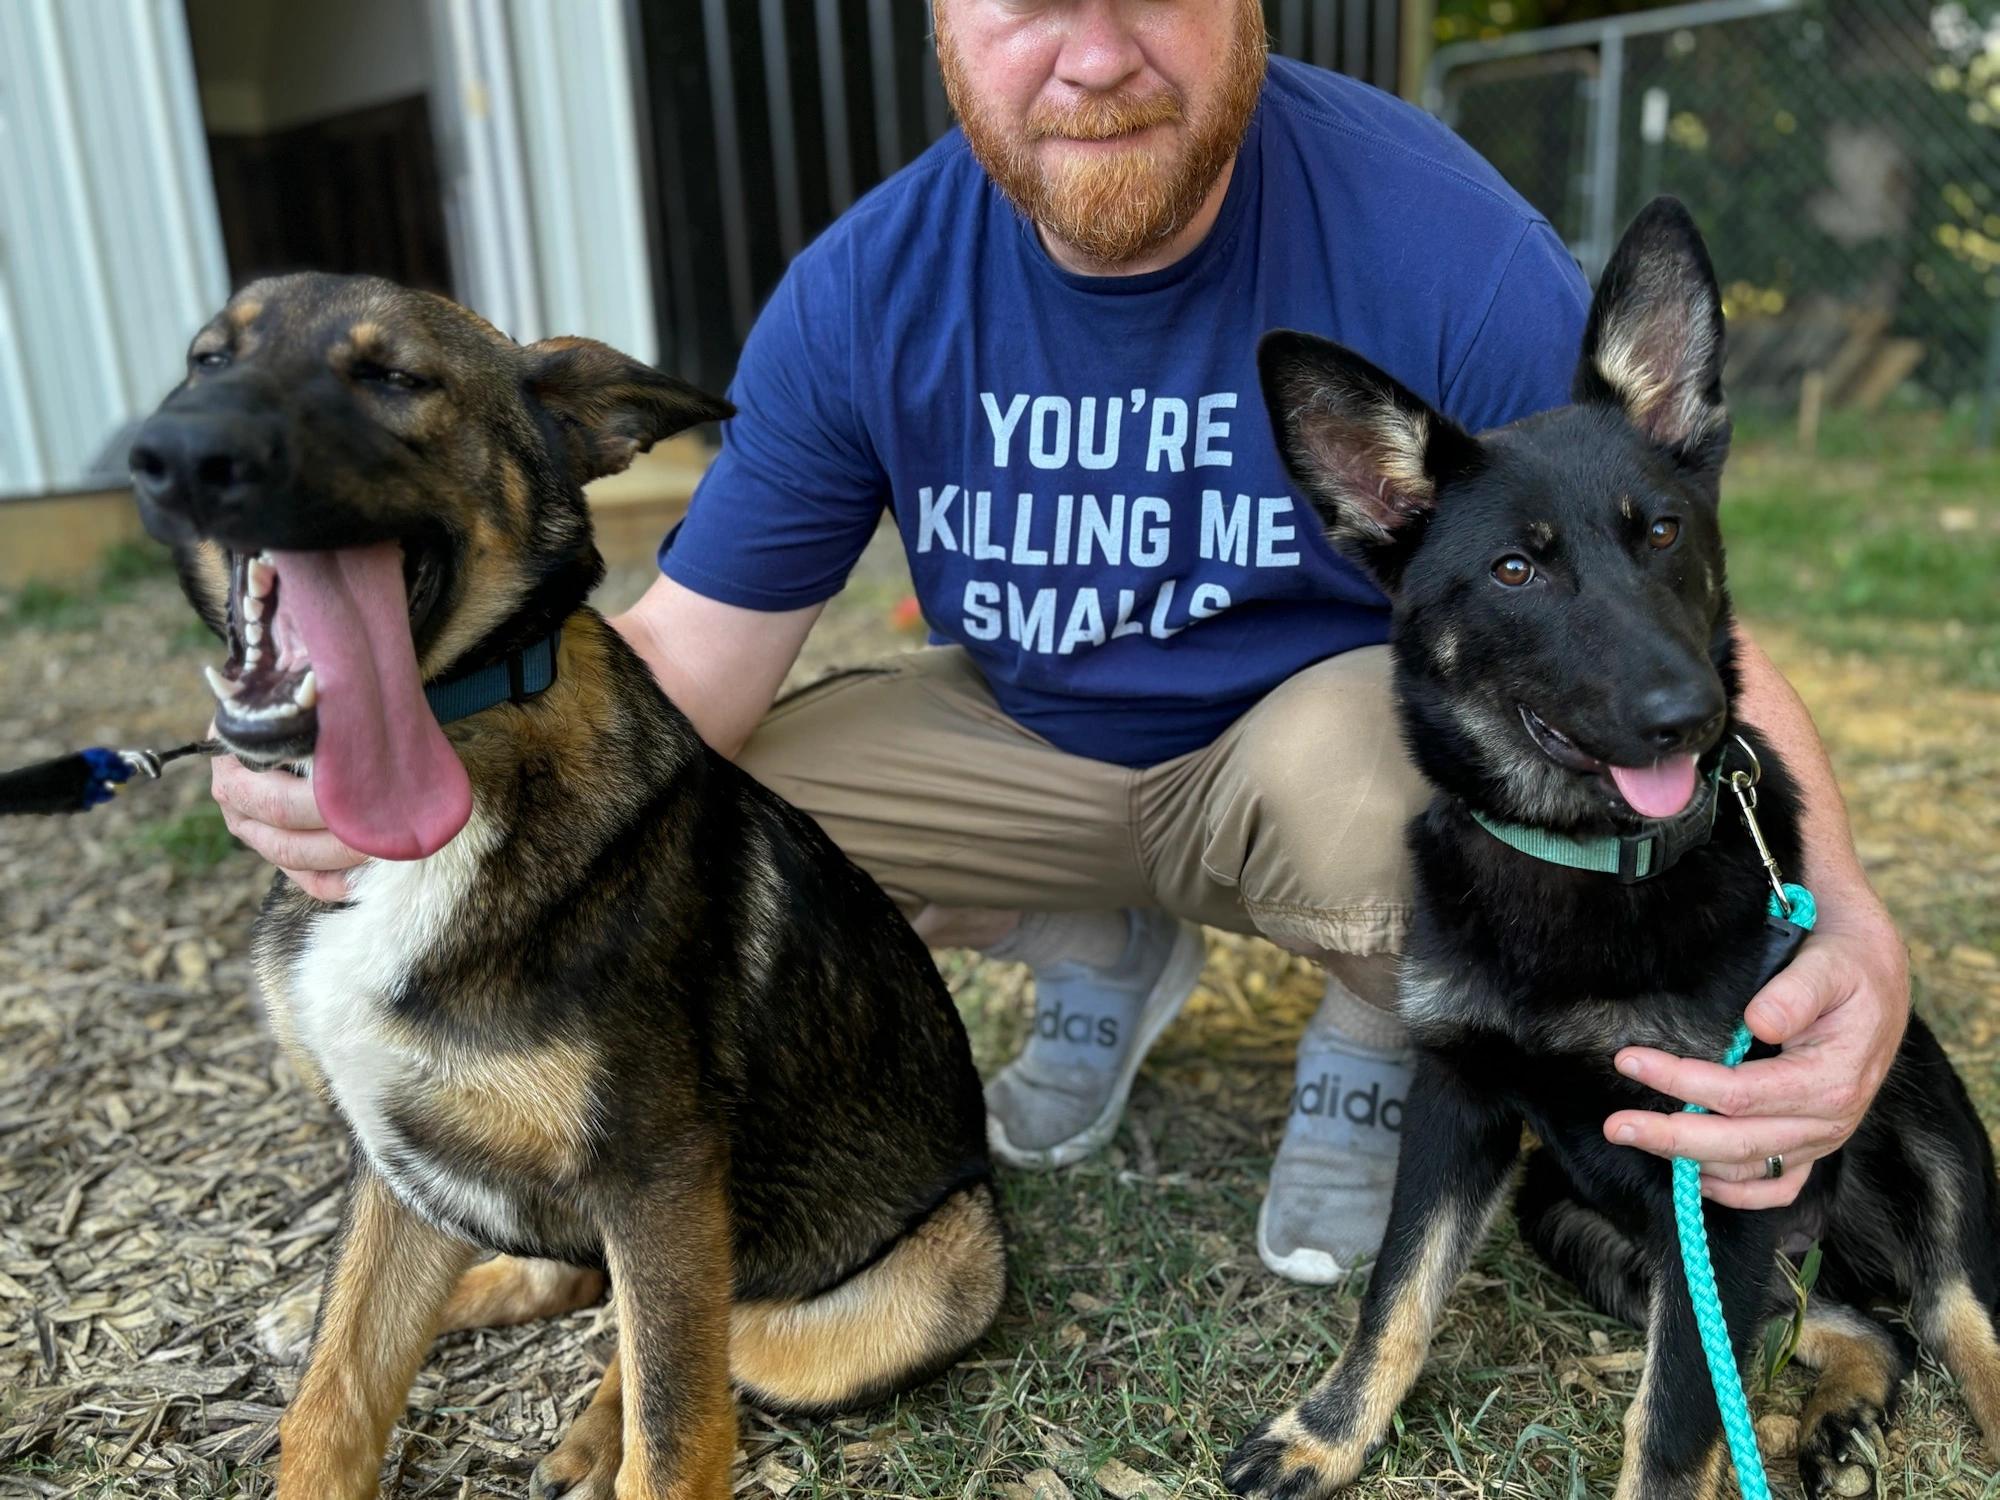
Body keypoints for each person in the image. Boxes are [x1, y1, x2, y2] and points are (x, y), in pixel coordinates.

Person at [212, 0, 1911, 1284]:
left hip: (1301, 755)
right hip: (1027, 746)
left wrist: (1827, 912)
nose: (1092, 59)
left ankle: (1379, 1025)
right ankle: (1095, 946)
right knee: (709, 823)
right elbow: (686, 673)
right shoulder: (867, 287)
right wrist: (391, 760)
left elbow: (1650, 594)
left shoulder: (1432, 234)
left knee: (1390, 793)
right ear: (945, 23)